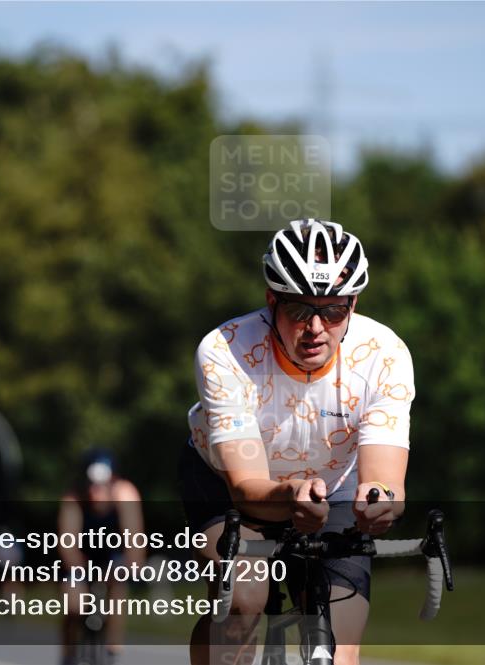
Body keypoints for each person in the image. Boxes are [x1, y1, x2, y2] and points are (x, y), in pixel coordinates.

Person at [179, 219, 414, 665]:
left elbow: (385, 482)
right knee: (243, 603)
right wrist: (291, 494)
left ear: (353, 304)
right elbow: (247, 488)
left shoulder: (386, 356)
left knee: (339, 651)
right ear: (272, 300)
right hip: (227, 482)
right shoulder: (226, 350)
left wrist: (379, 501)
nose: (316, 328)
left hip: (334, 487)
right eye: (300, 310)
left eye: (333, 311)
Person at [58, 450, 145, 665]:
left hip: (112, 556)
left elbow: (135, 541)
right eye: (91, 485)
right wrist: (78, 568)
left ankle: (111, 650)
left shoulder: (125, 493)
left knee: (118, 585)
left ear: (113, 480)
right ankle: (68, 655)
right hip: (82, 557)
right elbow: (67, 545)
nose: (96, 492)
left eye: (102, 485)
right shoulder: (74, 498)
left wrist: (131, 566)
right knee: (73, 604)